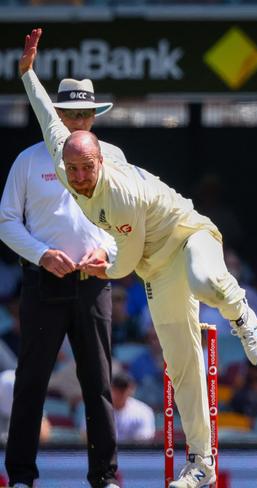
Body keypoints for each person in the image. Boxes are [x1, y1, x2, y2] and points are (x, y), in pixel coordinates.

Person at [19, 29, 257, 488]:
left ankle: (243, 315)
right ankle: (202, 462)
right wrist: (28, 74)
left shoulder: (119, 194)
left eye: (85, 169)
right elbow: (44, 116)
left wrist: (95, 265)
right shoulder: (64, 155)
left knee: (203, 281)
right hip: (156, 267)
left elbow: (123, 263)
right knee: (182, 364)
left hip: (187, 236)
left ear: (100, 161)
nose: (77, 177)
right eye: (71, 170)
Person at [0, 67, 123, 487]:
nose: (78, 121)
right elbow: (7, 222)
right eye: (70, 113)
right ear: (54, 113)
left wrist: (106, 251)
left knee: (99, 386)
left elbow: (132, 225)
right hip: (43, 282)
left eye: (85, 115)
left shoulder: (114, 159)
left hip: (93, 284)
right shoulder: (29, 160)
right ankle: (20, 478)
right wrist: (41, 253)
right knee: (30, 381)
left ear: (94, 117)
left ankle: (105, 478)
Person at [110, 371, 155, 443]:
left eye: (123, 388)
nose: (120, 392)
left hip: (134, 453)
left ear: (131, 389)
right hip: (107, 453)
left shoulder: (143, 411)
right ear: (110, 388)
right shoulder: (99, 411)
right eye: (116, 388)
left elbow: (145, 440)